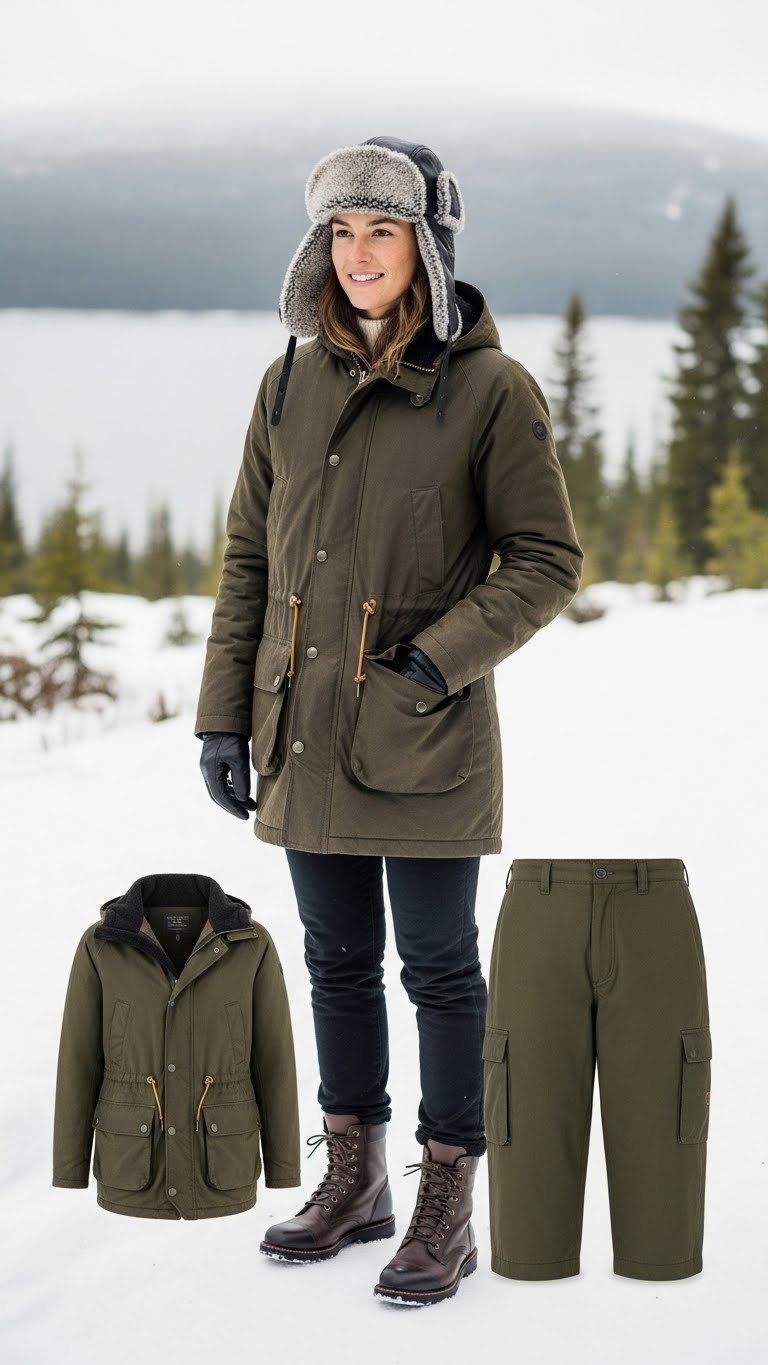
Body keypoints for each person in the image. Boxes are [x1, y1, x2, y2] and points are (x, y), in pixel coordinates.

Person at [195, 134, 583, 1305]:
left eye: (384, 230)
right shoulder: (288, 379)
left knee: (441, 971)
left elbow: (548, 559)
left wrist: (432, 662)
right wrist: (223, 719)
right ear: (320, 247)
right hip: (302, 733)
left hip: (425, 735)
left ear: (426, 245)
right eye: (342, 232)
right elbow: (250, 560)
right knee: (335, 962)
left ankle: (444, 1200)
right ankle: (353, 1179)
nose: (360, 254)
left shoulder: (491, 389)